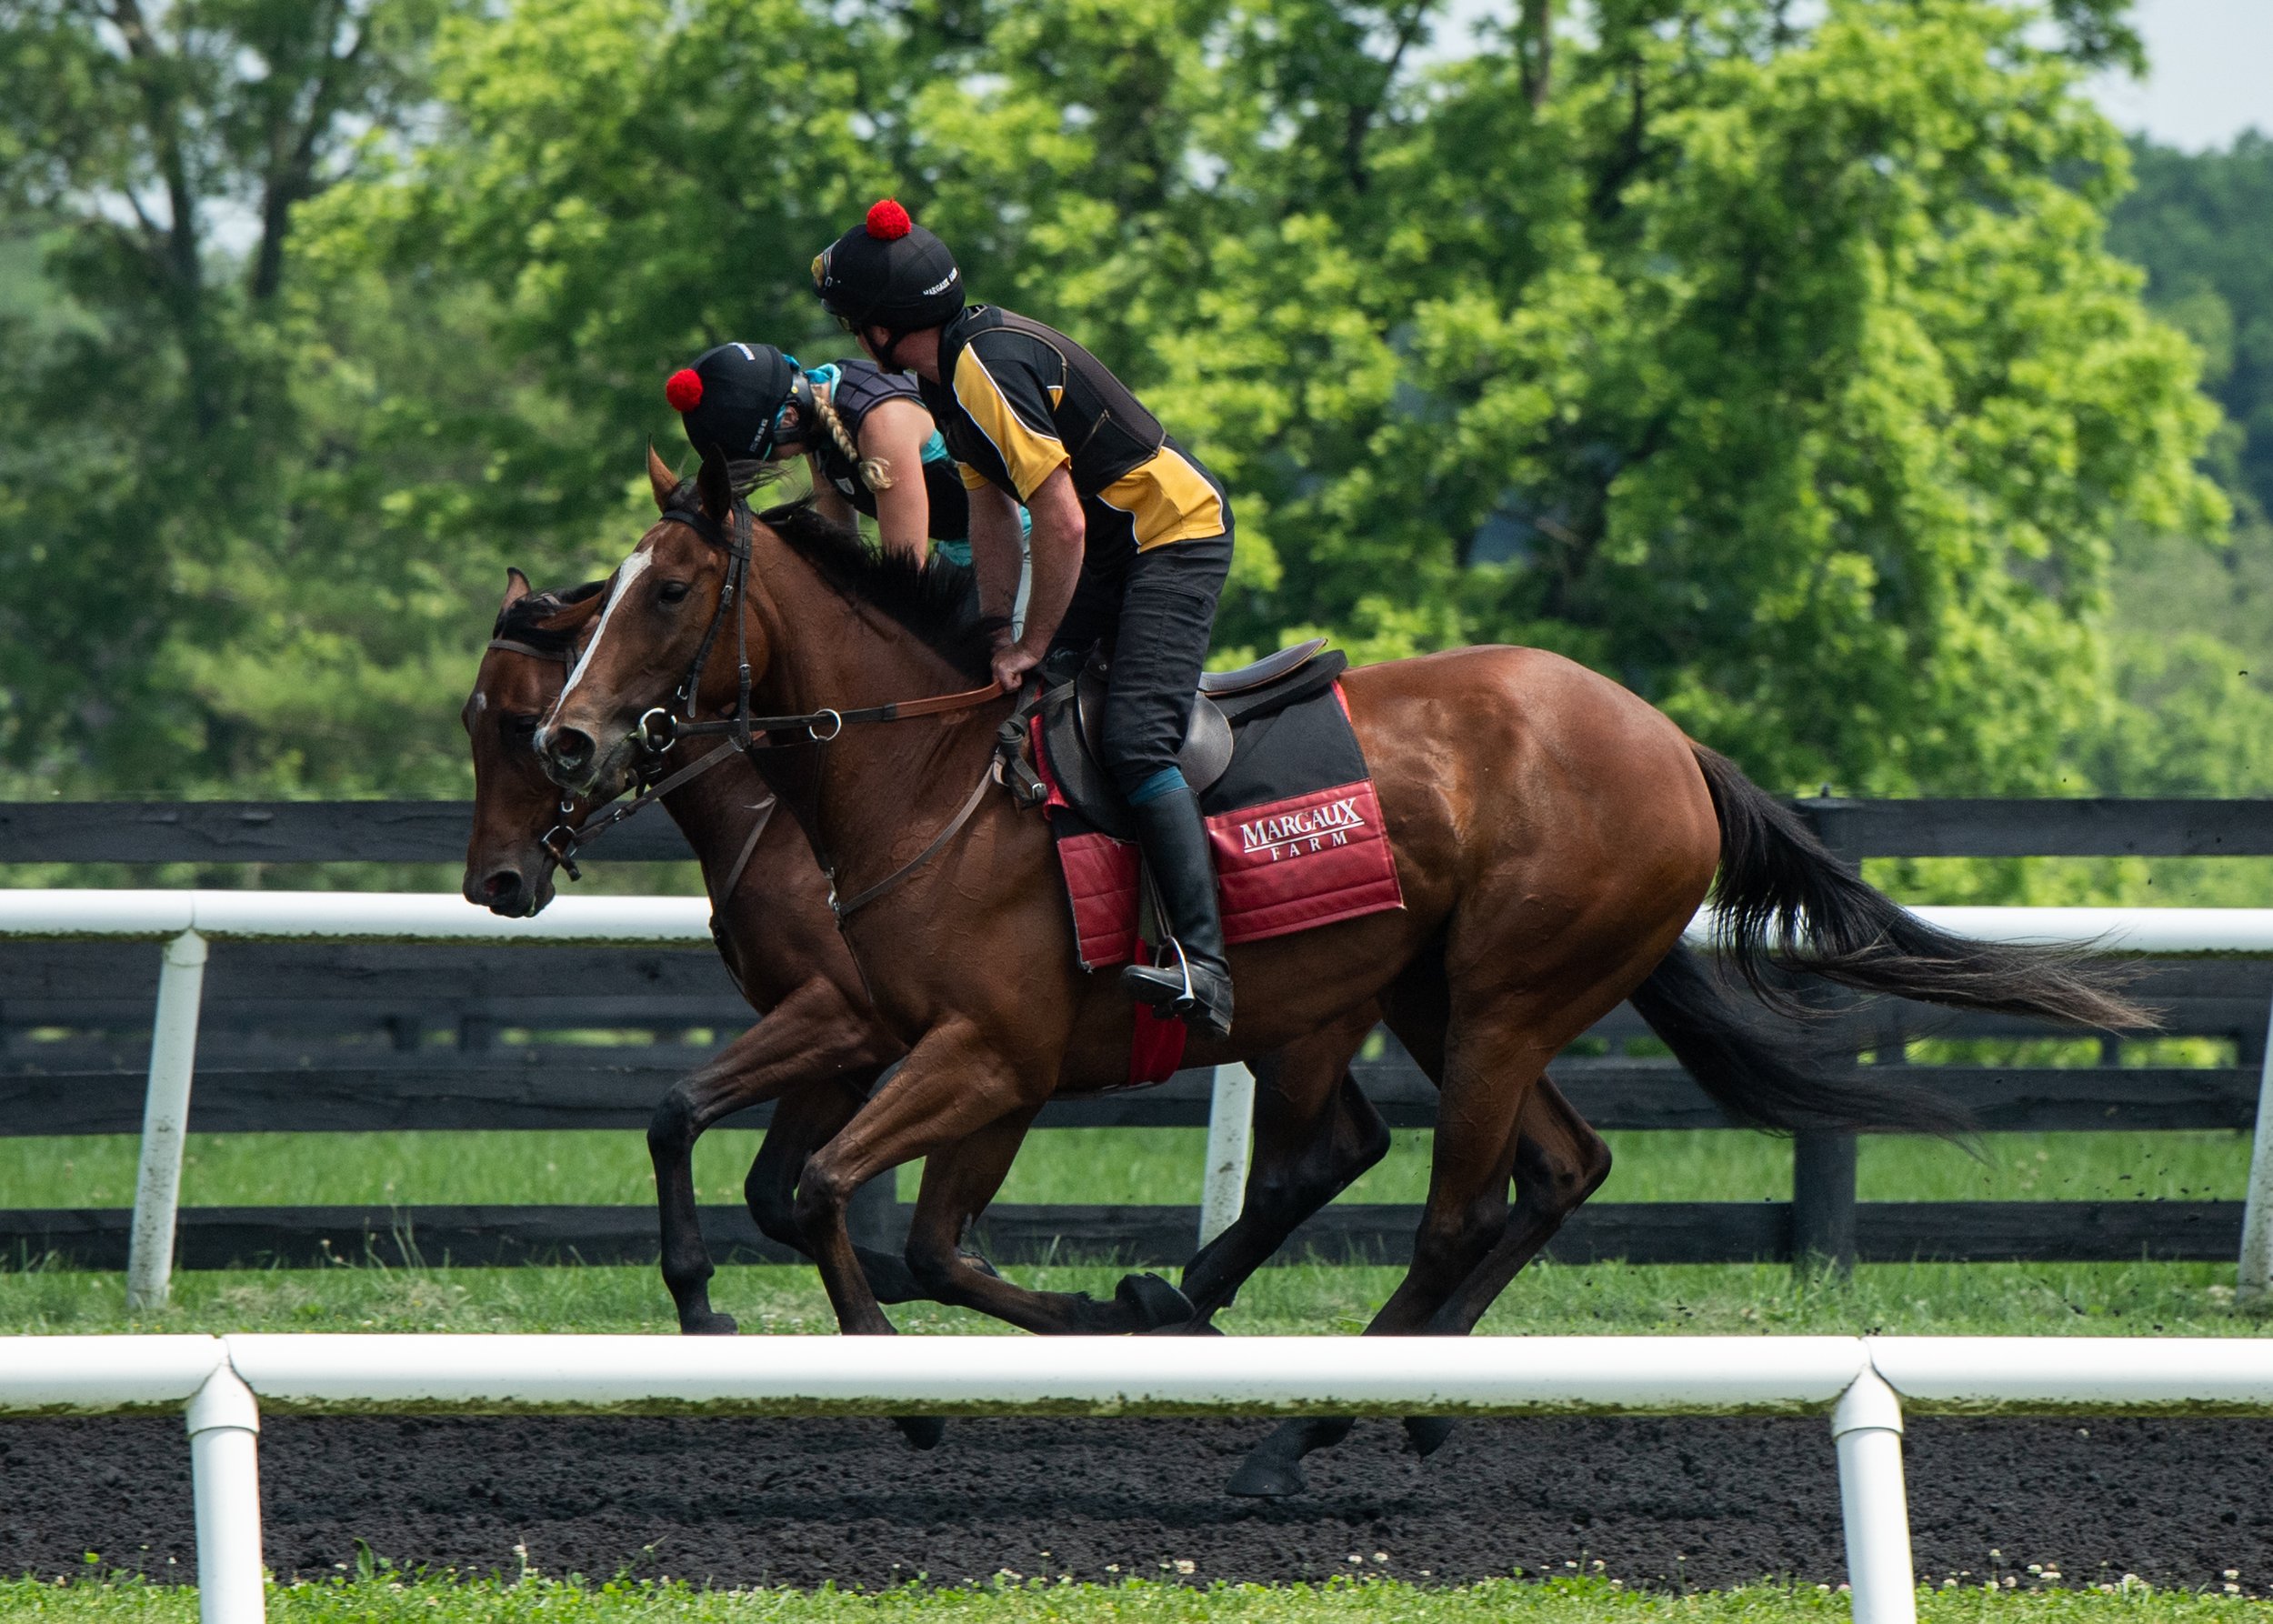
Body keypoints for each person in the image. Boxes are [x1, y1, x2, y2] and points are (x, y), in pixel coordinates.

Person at [812, 197, 1237, 1038]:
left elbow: (1063, 522)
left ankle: (1205, 963)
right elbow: (993, 520)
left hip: (1171, 537)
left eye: (852, 324)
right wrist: (997, 633)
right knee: (1025, 698)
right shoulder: (952, 376)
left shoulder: (980, 370)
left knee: (1135, 739)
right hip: (1119, 547)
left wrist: (1036, 640)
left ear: (881, 332)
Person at [664, 340, 979, 566]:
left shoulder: (881, 425)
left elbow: (907, 571)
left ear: (789, 418)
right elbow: (841, 552)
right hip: (958, 553)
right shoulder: (818, 432)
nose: (775, 462)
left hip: (1011, 543)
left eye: (770, 455)